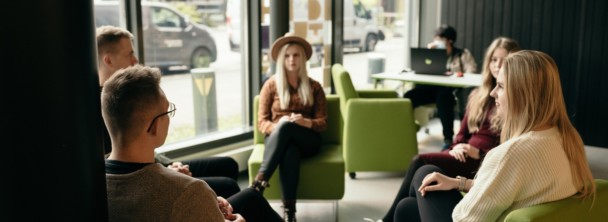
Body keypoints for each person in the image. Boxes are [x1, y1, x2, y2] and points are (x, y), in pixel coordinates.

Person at [392, 50, 596, 222]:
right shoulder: (567, 138)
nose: (492, 94)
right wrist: (459, 183)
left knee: (423, 172)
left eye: (500, 86)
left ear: (522, 94)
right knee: (406, 208)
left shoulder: (511, 153)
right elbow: (511, 189)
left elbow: (467, 219)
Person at [103, 65, 283, 221]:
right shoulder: (190, 192)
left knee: (250, 197)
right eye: (167, 111)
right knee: (253, 200)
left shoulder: (87, 184)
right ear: (154, 126)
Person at [379, 37, 519, 222]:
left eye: (504, 60)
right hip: (463, 154)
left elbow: (510, 149)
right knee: (410, 201)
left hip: (484, 161)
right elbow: (461, 134)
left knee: (421, 162)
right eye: (494, 60)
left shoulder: (512, 102)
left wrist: (479, 152)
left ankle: (387, 220)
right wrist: (458, 146)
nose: (498, 65)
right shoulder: (478, 95)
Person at [96, 25, 240, 198]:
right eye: (130, 54)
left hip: (156, 163)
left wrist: (170, 164)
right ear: (108, 60)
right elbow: (128, 160)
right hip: (147, 172)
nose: (135, 60)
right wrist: (167, 170)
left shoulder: (127, 93)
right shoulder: (110, 105)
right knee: (229, 185)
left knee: (228, 165)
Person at [250, 32, 328, 222]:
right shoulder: (270, 85)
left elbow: (323, 122)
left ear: (303, 59)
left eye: (296, 55)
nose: (291, 59)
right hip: (279, 140)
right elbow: (262, 122)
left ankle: (259, 184)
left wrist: (306, 122)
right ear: (281, 59)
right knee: (289, 148)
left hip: (308, 139)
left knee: (288, 130)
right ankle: (289, 212)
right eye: (287, 55)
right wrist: (279, 125)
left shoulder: (315, 86)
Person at [404, 24, 477, 149]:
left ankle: (448, 138)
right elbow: (420, 68)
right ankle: (404, 133)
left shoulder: (462, 54)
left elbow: (472, 72)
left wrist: (457, 75)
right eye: (436, 38)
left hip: (449, 91)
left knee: (444, 98)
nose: (437, 41)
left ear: (450, 41)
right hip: (430, 89)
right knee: (408, 97)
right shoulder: (431, 52)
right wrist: (429, 52)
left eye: (440, 39)